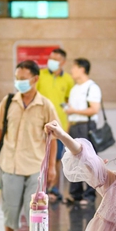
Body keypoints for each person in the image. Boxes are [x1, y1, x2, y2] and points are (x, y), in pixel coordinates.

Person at [0, 61, 58, 231]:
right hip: (10, 164)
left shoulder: (46, 105)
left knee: (36, 209)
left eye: (23, 78)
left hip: (35, 166)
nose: (19, 82)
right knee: (10, 208)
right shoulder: (9, 101)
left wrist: (52, 167)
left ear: (35, 79)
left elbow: (53, 139)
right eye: (17, 78)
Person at [36, 48, 75, 203]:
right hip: (39, 125)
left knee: (56, 159)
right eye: (50, 58)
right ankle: (41, 188)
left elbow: (69, 104)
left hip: (59, 126)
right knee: (41, 158)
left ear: (63, 62)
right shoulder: (40, 75)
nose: (51, 61)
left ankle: (54, 189)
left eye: (56, 59)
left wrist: (67, 127)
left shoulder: (68, 80)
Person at [64, 58, 102, 206]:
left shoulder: (92, 87)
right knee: (73, 159)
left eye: (74, 67)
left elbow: (94, 109)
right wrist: (67, 131)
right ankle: (76, 194)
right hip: (74, 126)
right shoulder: (74, 89)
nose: (71, 71)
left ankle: (90, 194)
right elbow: (70, 112)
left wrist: (74, 111)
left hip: (86, 126)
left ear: (82, 69)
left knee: (89, 160)